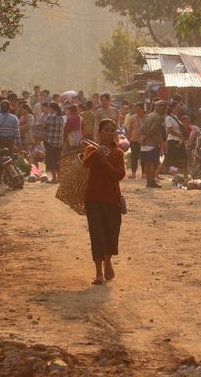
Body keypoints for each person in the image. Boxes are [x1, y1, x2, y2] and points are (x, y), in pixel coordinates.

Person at [83, 118, 126, 285]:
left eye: (112, 130)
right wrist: (97, 153)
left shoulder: (118, 153)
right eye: (106, 130)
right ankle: (98, 272)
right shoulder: (90, 149)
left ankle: (108, 261)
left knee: (111, 235)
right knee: (97, 235)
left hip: (112, 199)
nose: (109, 133)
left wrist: (104, 161)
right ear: (99, 132)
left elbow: (119, 175)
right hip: (93, 198)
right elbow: (85, 164)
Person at [140, 100, 166, 188]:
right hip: (153, 143)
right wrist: (146, 136)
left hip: (145, 144)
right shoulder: (159, 118)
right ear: (160, 108)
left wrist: (143, 138)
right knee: (152, 163)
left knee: (147, 163)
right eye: (164, 108)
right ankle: (151, 181)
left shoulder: (149, 115)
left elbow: (142, 128)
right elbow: (153, 129)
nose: (165, 111)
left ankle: (148, 181)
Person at [163, 100, 188, 178]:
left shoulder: (176, 117)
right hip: (173, 141)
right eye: (177, 107)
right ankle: (155, 174)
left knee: (184, 159)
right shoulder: (169, 118)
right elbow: (169, 130)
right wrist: (180, 135)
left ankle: (186, 177)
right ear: (172, 108)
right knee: (168, 160)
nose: (178, 109)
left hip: (179, 141)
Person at [41, 101, 64, 183]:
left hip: (50, 141)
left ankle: (54, 178)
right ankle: (59, 177)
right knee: (58, 160)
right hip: (59, 142)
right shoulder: (61, 117)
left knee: (51, 160)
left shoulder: (51, 117)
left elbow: (43, 125)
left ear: (51, 108)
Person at [127, 102, 145, 179]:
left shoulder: (147, 118)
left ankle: (143, 173)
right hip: (134, 140)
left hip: (144, 140)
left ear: (143, 109)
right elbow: (130, 129)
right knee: (134, 157)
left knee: (144, 157)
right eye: (136, 109)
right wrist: (128, 138)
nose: (138, 111)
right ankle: (133, 173)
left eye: (139, 109)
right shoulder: (132, 118)